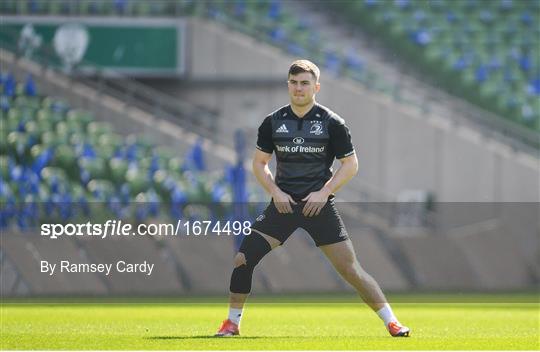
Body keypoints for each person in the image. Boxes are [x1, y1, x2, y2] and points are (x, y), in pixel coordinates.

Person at [215, 59, 410, 338]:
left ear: (316, 87)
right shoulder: (272, 122)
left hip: (319, 207)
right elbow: (259, 164)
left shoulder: (332, 123)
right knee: (243, 259)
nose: (298, 88)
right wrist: (276, 192)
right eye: (293, 83)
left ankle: (392, 322)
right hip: (282, 206)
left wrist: (324, 193)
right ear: (288, 85)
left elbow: (351, 164)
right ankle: (231, 324)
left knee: (351, 270)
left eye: (304, 83)